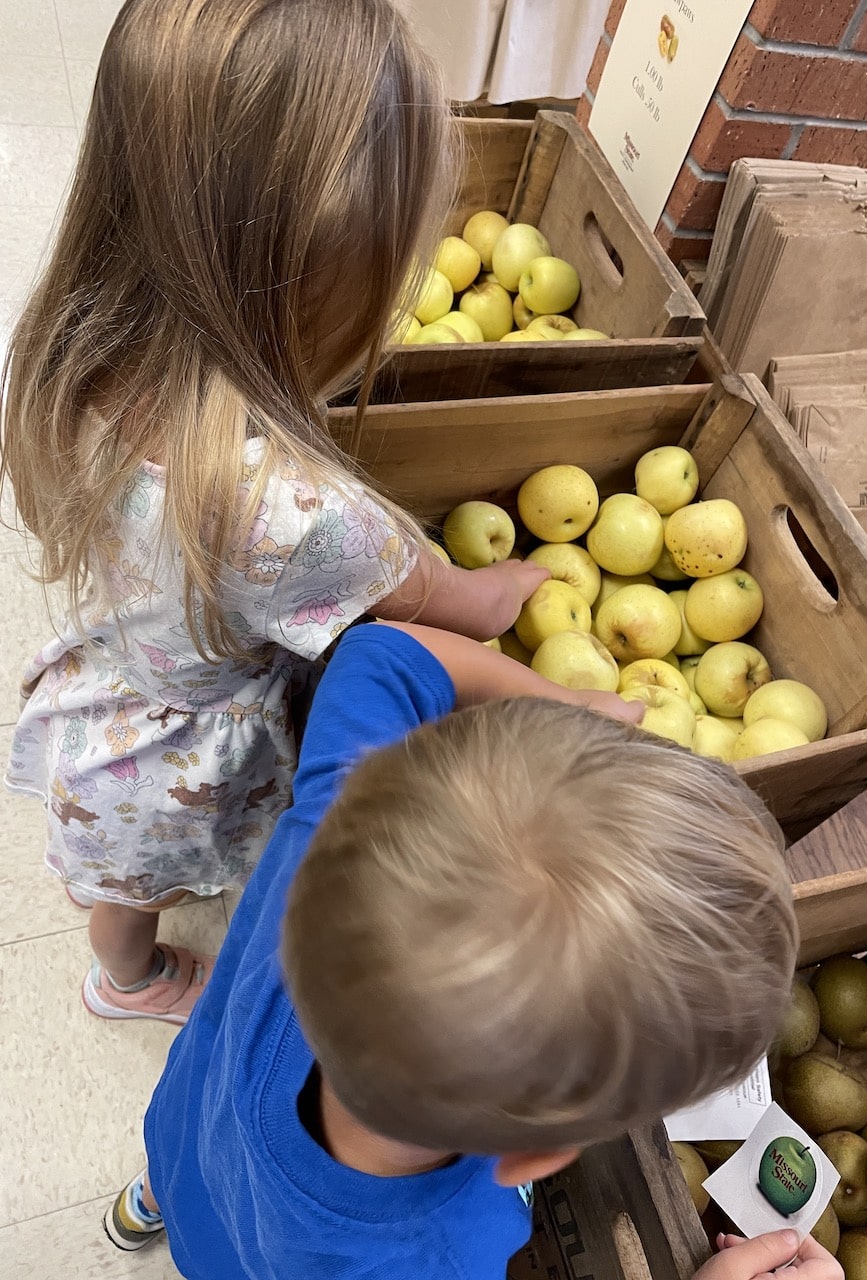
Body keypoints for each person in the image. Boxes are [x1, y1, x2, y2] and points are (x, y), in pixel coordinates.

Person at [0, 0, 550, 1026]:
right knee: (135, 888)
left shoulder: (67, 358)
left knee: (117, 870)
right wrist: (518, 582)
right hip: (180, 756)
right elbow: (461, 609)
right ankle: (129, 980)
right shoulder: (301, 515)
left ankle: (117, 924)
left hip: (109, 695)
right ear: (321, 287)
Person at [104, 620, 838, 1280]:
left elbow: (384, 654)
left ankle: (150, 1203)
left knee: (192, 1170)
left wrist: (568, 710)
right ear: (534, 1163)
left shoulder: (331, 830)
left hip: (191, 1130)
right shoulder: (438, 1257)